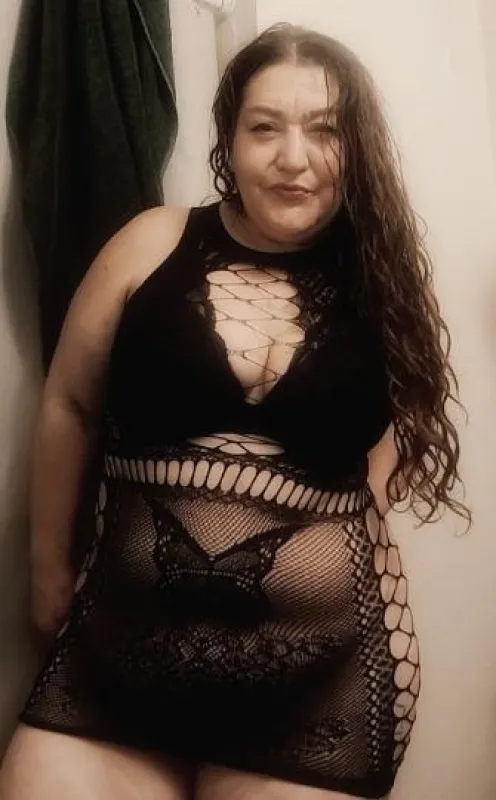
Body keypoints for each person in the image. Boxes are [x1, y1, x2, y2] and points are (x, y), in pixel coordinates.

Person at [0, 23, 468, 800]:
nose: (293, 157)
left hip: (313, 680)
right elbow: (71, 403)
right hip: (117, 661)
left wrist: (347, 529)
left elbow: (402, 418)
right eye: (265, 128)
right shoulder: (149, 243)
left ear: (356, 144)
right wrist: (46, 569)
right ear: (230, 138)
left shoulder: (382, 277)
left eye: (324, 130)